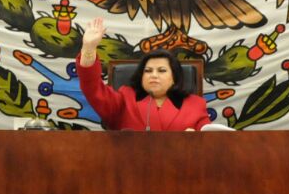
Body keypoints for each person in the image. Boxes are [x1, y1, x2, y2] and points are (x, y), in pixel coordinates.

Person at [76, 17, 209, 131]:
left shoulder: (195, 104)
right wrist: (89, 48)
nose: (154, 75)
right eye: (148, 71)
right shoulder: (125, 99)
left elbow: (210, 136)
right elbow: (92, 87)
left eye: (162, 70)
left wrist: (196, 139)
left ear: (174, 77)